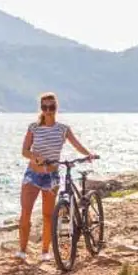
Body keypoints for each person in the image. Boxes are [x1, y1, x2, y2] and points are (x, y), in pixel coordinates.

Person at [18, 92, 94, 261]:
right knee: (25, 213)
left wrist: (89, 154)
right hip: (33, 175)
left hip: (51, 176)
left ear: (56, 108)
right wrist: (34, 156)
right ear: (41, 109)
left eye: (51, 107)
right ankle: (22, 251)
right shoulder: (33, 128)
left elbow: (77, 144)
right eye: (44, 107)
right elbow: (24, 151)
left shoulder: (63, 129)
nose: (48, 110)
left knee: (48, 215)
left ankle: (45, 251)